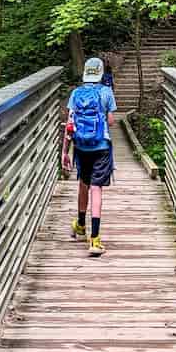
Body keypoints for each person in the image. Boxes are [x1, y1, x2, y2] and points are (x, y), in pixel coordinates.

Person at [63, 55, 116, 257]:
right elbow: (111, 122)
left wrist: (64, 152)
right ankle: (94, 239)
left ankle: (80, 224)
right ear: (101, 73)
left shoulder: (76, 93)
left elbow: (69, 124)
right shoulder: (106, 92)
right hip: (101, 146)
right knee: (96, 189)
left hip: (81, 146)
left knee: (83, 184)